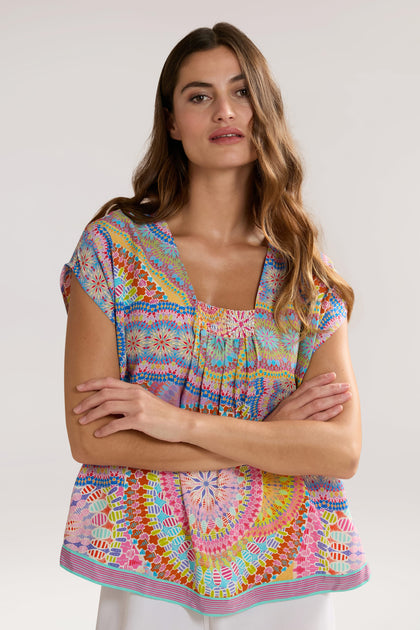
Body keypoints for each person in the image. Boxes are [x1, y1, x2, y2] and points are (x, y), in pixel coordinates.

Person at [60, 23, 369, 630]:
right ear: (172, 121)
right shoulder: (112, 253)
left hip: (289, 569)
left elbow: (339, 450)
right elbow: (92, 441)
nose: (225, 111)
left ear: (265, 109)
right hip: (145, 560)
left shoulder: (305, 275)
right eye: (198, 95)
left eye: (241, 91)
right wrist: (269, 439)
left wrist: (174, 422)